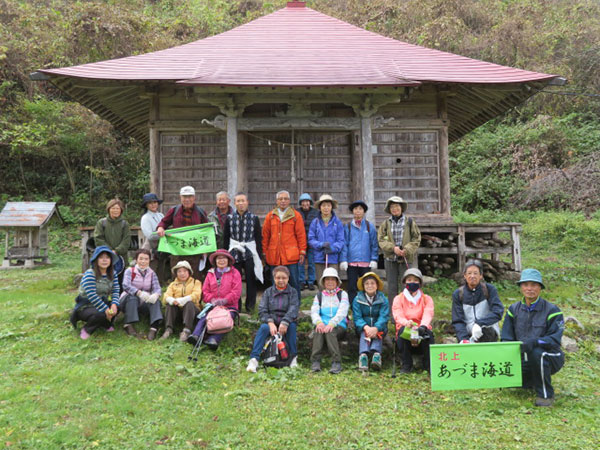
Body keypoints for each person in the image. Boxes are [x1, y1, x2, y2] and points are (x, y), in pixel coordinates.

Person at [501, 269, 565, 407]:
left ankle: (546, 395)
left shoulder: (552, 310)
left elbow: (554, 339)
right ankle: (531, 382)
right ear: (521, 287)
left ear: (540, 288)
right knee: (516, 380)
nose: (529, 289)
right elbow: (506, 338)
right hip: (524, 357)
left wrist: (536, 341)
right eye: (525, 285)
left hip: (550, 355)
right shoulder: (513, 309)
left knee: (538, 353)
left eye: (534, 285)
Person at [246, 265, 299, 372]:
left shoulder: (293, 292)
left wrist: (285, 322)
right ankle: (254, 359)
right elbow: (262, 310)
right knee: (263, 328)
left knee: (292, 328)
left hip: (287, 321)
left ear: (288, 278)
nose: (281, 280)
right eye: (278, 278)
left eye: (284, 278)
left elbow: (293, 309)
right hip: (272, 320)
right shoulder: (268, 292)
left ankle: (293, 358)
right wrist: (270, 322)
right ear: (274, 278)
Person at [188, 249, 241, 349]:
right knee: (205, 318)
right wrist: (212, 300)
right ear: (215, 261)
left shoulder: (235, 273)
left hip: (229, 306)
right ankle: (195, 335)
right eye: (219, 258)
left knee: (224, 320)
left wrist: (224, 300)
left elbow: (236, 292)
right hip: (213, 305)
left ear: (228, 260)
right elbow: (205, 291)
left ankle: (214, 339)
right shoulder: (210, 273)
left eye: (224, 258)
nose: (221, 260)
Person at [262, 190, 307, 301]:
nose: (283, 201)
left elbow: (301, 235)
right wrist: (265, 252)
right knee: (275, 282)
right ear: (277, 201)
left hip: (291, 255)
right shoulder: (270, 216)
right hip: (274, 255)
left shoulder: (296, 216)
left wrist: (302, 251)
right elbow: (265, 236)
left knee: (294, 282)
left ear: (289, 201)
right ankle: (276, 305)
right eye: (280, 199)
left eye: (285, 199)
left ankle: (295, 305)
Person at [223, 192, 263, 313]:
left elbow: (258, 238)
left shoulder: (254, 218)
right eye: (238, 201)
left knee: (251, 280)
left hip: (250, 252)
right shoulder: (229, 218)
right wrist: (225, 255)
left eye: (243, 201)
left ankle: (250, 307)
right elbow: (226, 238)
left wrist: (260, 257)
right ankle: (237, 306)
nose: (241, 203)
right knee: (235, 281)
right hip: (234, 252)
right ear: (234, 203)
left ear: (247, 203)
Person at [70, 246, 121, 339]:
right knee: (101, 313)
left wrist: (114, 304)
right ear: (96, 260)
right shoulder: (90, 273)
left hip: (102, 302)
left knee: (118, 306)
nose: (104, 260)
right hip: (86, 306)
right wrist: (106, 309)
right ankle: (87, 329)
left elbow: (116, 290)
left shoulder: (113, 274)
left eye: (107, 257)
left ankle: (104, 324)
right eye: (101, 257)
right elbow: (92, 295)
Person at [377, 196, 421, 304]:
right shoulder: (386, 223)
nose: (394, 209)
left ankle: (409, 312)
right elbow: (381, 239)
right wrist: (393, 248)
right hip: (390, 258)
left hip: (406, 257)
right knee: (392, 287)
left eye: (396, 206)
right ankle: (393, 315)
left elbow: (416, 238)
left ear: (401, 208)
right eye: (392, 207)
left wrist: (406, 249)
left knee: (407, 285)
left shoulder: (410, 222)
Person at [156, 186, 208, 273]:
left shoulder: (200, 212)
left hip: (194, 250)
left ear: (194, 198)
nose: (187, 199)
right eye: (184, 197)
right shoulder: (174, 210)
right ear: (180, 197)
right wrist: (160, 228)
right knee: (177, 273)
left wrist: (205, 250)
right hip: (177, 250)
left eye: (190, 197)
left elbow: (206, 230)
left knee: (194, 274)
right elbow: (164, 222)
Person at [392, 268, 434, 374]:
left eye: (415, 280)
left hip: (421, 330)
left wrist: (422, 327)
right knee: (402, 333)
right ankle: (406, 365)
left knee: (428, 335)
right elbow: (398, 315)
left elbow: (428, 313)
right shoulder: (398, 298)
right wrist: (407, 323)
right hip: (406, 329)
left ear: (420, 282)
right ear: (405, 282)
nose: (412, 282)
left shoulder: (426, 298)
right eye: (409, 280)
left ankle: (428, 365)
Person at [452, 259, 504, 343]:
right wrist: (463, 338)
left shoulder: (489, 290)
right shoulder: (458, 294)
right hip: (468, 334)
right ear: (464, 275)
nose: (472, 276)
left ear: (481, 276)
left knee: (486, 333)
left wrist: (480, 324)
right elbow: (457, 320)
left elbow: (498, 312)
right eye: (469, 273)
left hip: (487, 331)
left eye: (475, 273)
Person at [310, 267, 350, 374]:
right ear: (323, 282)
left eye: (333, 279)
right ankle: (315, 361)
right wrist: (319, 322)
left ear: (337, 282)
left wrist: (332, 323)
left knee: (330, 331)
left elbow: (343, 311)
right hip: (323, 325)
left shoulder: (342, 294)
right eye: (327, 279)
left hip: (338, 326)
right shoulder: (319, 296)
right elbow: (314, 311)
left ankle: (336, 362)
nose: (330, 282)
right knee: (318, 330)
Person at [339, 200, 379, 305]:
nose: (358, 211)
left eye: (360, 209)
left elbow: (374, 245)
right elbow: (344, 244)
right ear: (352, 211)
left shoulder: (370, 227)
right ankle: (353, 307)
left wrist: (374, 259)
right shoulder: (347, 227)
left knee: (366, 286)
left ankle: (366, 306)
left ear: (364, 212)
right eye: (356, 209)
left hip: (365, 262)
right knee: (352, 286)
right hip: (351, 262)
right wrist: (343, 259)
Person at [119, 249, 163, 340]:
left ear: (149, 260)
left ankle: (154, 328)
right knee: (133, 297)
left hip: (143, 301)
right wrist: (138, 292)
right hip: (127, 301)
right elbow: (125, 285)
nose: (143, 261)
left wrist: (156, 295)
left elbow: (157, 288)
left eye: (146, 259)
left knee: (156, 301)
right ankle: (128, 324)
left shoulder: (152, 273)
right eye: (141, 259)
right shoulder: (129, 271)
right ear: (136, 259)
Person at [352, 272, 389, 372]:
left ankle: (376, 356)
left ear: (377, 285)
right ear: (363, 286)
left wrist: (376, 328)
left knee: (378, 332)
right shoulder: (357, 299)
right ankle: (363, 356)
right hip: (363, 328)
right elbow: (357, 317)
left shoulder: (383, 299)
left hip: (379, 328)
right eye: (367, 283)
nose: (370, 286)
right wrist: (366, 327)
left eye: (372, 283)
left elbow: (384, 316)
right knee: (365, 333)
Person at [160, 260, 202, 341]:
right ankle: (168, 329)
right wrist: (172, 300)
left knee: (189, 303)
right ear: (176, 273)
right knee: (170, 304)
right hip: (178, 311)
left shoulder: (196, 282)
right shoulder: (173, 284)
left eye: (184, 271)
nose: (182, 273)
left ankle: (186, 331)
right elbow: (165, 296)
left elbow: (197, 295)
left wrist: (184, 299)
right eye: (179, 271)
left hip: (192, 311)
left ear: (189, 272)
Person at [308, 194, 344, 282]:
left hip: (333, 257)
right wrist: (321, 245)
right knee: (321, 282)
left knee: (333, 282)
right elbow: (311, 239)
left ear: (332, 207)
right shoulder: (315, 222)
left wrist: (332, 248)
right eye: (323, 205)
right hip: (319, 258)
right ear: (320, 207)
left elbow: (341, 240)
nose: (326, 208)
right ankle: (322, 296)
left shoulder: (337, 222)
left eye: (328, 205)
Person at [93, 197, 130, 271]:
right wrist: (109, 251)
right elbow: (98, 238)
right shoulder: (102, 222)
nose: (115, 210)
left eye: (117, 208)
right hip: (104, 256)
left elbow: (126, 240)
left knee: (120, 279)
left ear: (121, 210)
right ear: (109, 209)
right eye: (113, 208)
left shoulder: (125, 224)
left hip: (121, 257)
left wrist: (116, 251)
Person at [140, 192, 168, 284]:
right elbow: (150, 235)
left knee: (161, 268)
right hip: (151, 247)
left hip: (162, 246)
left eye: (155, 202)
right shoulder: (145, 218)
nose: (153, 205)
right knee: (151, 269)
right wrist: (162, 233)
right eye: (150, 203)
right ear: (146, 205)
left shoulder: (161, 215)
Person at [296, 193, 319, 291]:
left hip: (312, 242)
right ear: (301, 203)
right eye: (303, 202)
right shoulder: (296, 212)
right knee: (300, 263)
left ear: (310, 202)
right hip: (300, 242)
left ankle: (311, 282)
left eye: (307, 201)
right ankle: (301, 281)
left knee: (311, 263)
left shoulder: (316, 212)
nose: (305, 203)